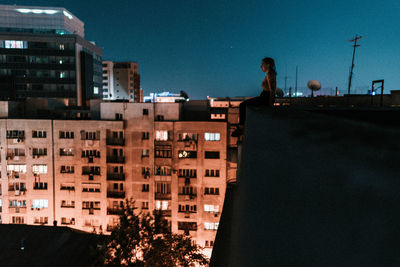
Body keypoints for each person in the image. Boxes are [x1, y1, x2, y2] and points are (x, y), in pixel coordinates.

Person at [232, 57, 277, 137]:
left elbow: (272, 90)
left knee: (243, 105)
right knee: (245, 105)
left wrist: (270, 104)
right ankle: (242, 126)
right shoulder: (270, 74)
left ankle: (241, 127)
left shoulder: (270, 74)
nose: (261, 66)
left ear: (268, 65)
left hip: (265, 98)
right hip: (264, 97)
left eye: (262, 64)